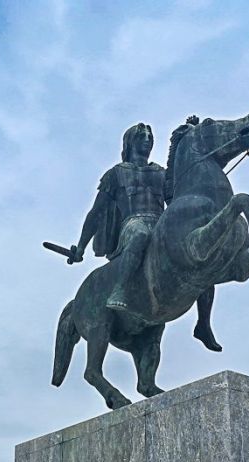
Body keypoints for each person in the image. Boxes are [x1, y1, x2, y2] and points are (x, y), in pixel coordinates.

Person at [70, 120, 222, 351]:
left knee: (201, 257)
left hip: (161, 223)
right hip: (134, 223)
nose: (147, 140)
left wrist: (184, 137)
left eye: (150, 136)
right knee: (140, 235)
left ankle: (203, 323)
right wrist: (81, 247)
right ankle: (119, 289)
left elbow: (176, 191)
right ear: (130, 142)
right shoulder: (116, 174)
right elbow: (96, 213)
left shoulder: (159, 172)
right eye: (141, 136)